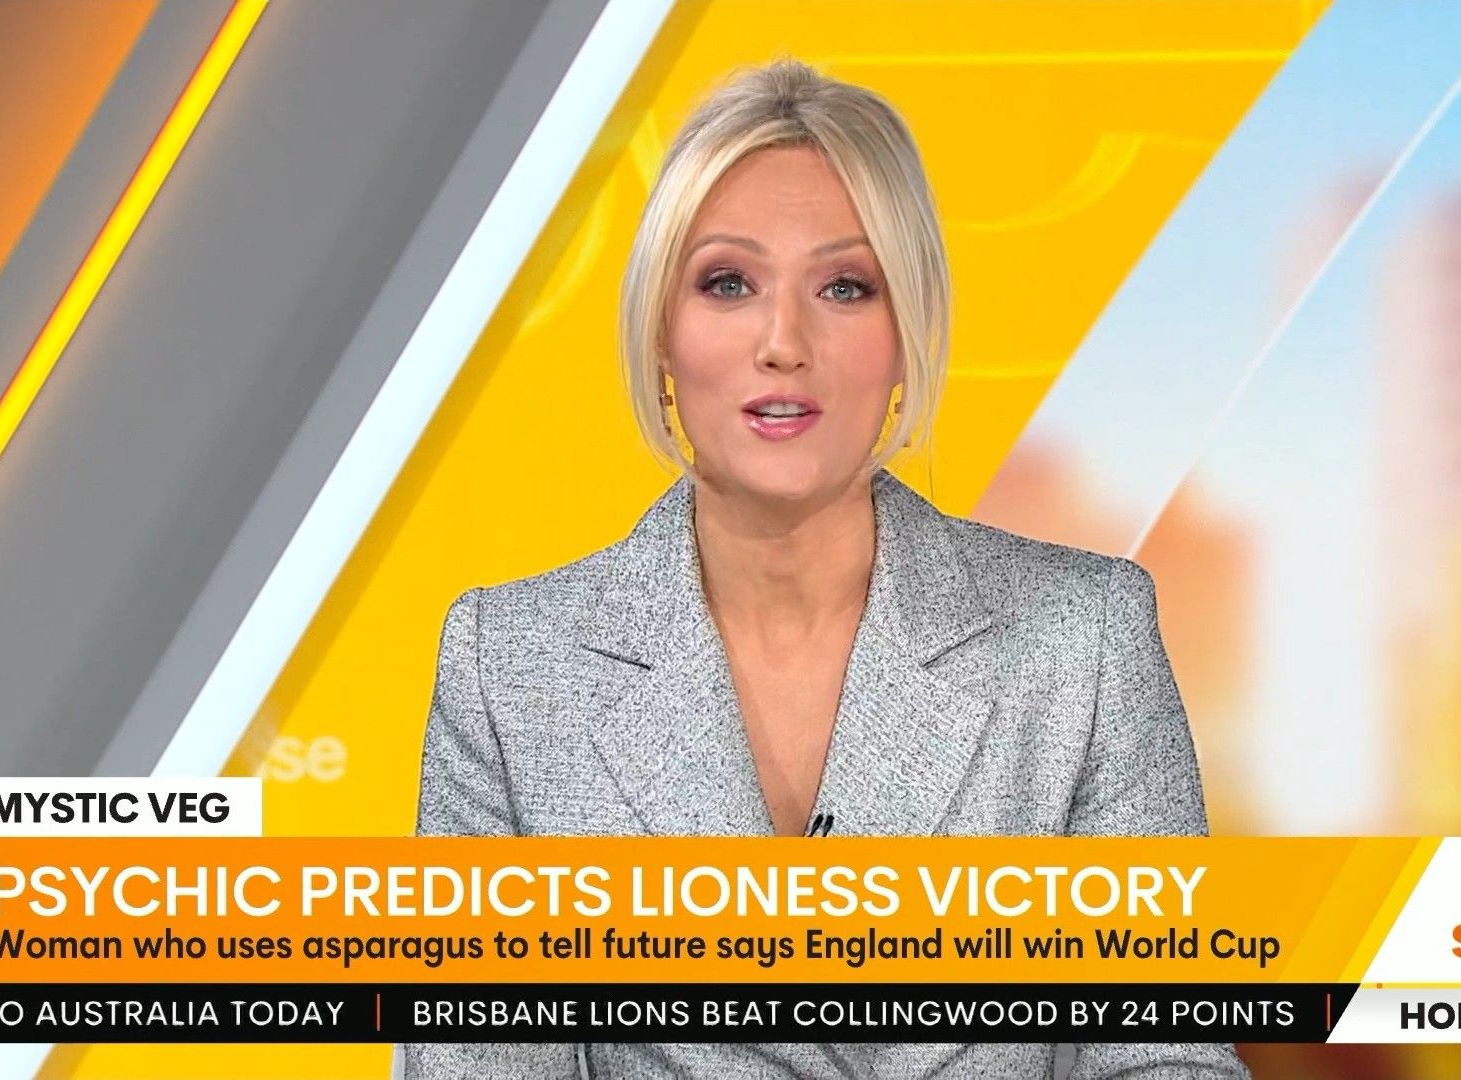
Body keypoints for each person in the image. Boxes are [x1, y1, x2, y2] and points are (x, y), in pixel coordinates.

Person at [405, 56, 1247, 1080]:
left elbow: (1164, 1058)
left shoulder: (1086, 641)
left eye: (845, 287)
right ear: (662, 332)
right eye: (728, 283)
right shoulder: (509, 669)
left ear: (905, 334)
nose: (783, 342)